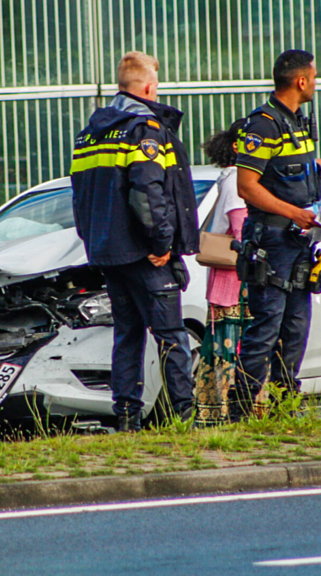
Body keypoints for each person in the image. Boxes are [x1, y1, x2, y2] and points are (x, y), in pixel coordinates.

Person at [70, 52, 199, 432]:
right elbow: (147, 193)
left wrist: (95, 242)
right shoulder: (144, 130)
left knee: (127, 335)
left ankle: (127, 419)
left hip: (109, 253)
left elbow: (79, 198)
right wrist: (161, 243)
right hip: (145, 254)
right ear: (147, 88)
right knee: (171, 335)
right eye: (155, 87)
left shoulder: (89, 134)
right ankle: (185, 418)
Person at [231, 49, 321, 419]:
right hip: (273, 240)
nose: (316, 82)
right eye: (315, 76)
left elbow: (309, 171)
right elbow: (246, 185)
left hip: (300, 242)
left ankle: (283, 409)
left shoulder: (298, 123)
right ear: (301, 81)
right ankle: (242, 411)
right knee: (266, 328)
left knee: (295, 329)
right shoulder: (263, 124)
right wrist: (292, 211)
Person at [194, 120, 249, 426]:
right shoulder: (237, 180)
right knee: (232, 351)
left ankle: (220, 413)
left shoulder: (229, 178)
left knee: (222, 352)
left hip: (224, 284)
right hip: (235, 285)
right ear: (238, 147)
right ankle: (230, 414)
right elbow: (240, 231)